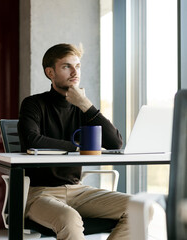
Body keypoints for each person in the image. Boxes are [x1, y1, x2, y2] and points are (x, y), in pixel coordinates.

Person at [18, 43, 130, 240]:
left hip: (79, 190)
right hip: (40, 193)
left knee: (140, 208)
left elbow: (115, 143)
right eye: (66, 66)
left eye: (77, 66)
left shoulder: (82, 108)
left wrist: (86, 104)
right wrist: (79, 148)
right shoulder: (33, 104)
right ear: (50, 72)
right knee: (69, 219)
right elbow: (31, 141)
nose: (74, 72)